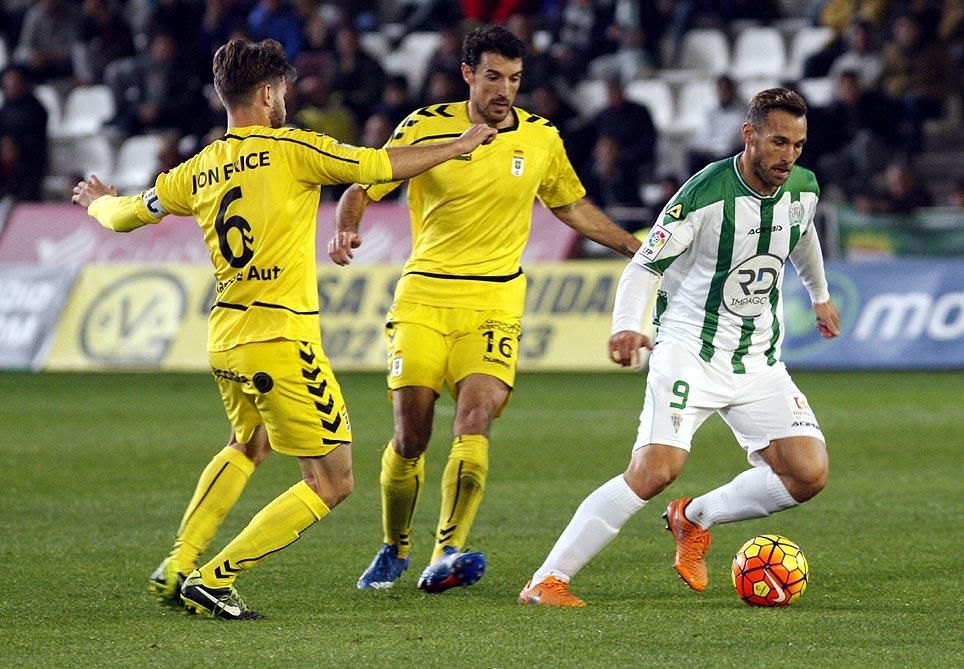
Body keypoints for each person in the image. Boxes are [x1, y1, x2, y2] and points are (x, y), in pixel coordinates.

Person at [70, 37, 497, 620]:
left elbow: (122, 218)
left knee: (248, 444)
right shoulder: (294, 149)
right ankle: (214, 578)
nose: (287, 100)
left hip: (225, 338)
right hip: (280, 339)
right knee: (333, 481)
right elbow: (379, 166)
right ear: (268, 93)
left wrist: (98, 201)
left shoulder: (197, 167)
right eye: (285, 91)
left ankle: (178, 561)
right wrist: (462, 143)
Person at [329, 25, 641, 595]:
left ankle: (446, 553)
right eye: (494, 77)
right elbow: (361, 185)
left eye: (515, 79)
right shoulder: (426, 127)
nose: (505, 90)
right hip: (424, 295)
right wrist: (347, 228)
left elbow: (570, 204)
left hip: (496, 299)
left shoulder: (541, 138)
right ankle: (394, 547)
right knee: (412, 435)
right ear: (468, 73)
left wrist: (631, 246)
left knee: (475, 420)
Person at [519, 88, 841, 607]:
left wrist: (820, 295)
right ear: (750, 134)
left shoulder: (803, 187)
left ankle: (692, 518)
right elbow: (644, 265)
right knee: (655, 471)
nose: (789, 157)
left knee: (808, 474)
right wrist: (627, 325)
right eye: (779, 142)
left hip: (758, 359)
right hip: (689, 350)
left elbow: (802, 237)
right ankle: (547, 579)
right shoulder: (703, 196)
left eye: (799, 145)